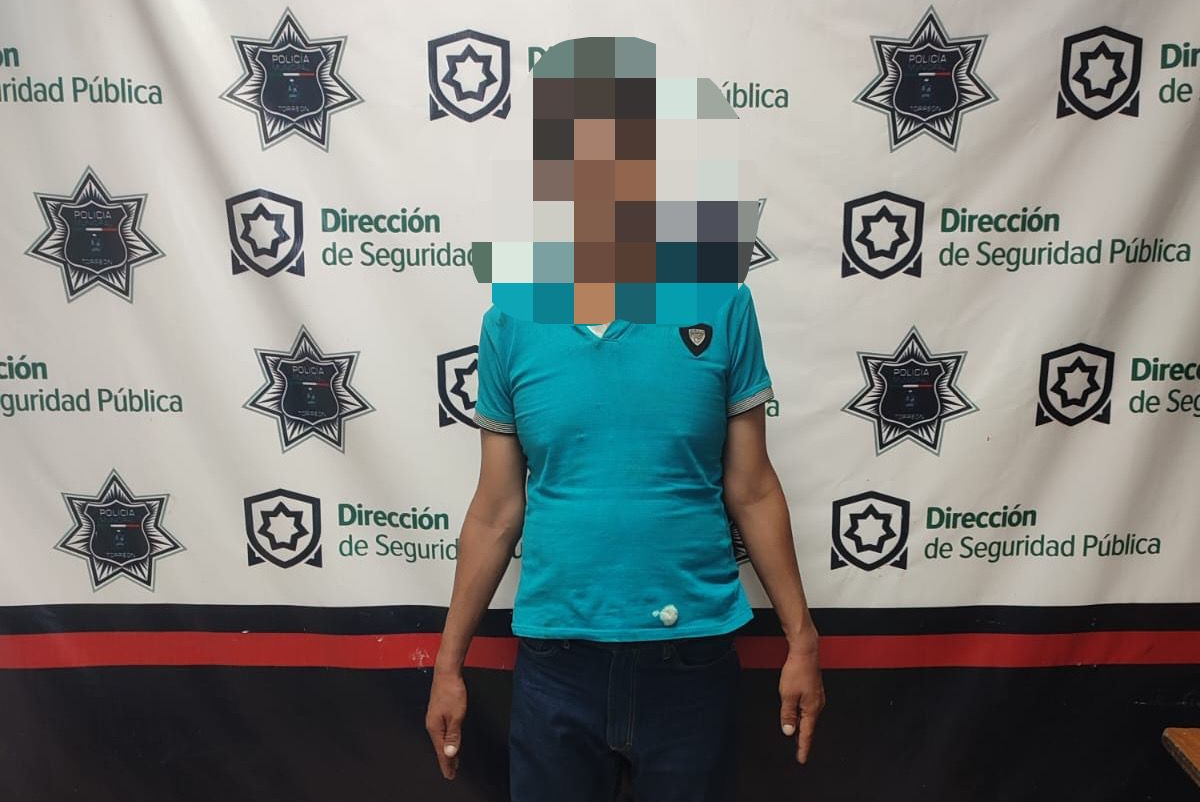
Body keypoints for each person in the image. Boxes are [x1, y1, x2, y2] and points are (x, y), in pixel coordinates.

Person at [426, 37, 824, 802]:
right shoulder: (511, 317)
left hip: (692, 660)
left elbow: (751, 487)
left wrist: (802, 638)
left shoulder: (721, 302)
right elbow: (497, 509)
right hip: (556, 663)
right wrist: (449, 664)